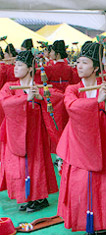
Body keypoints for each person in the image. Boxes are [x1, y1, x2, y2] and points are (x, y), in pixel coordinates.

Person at [56, 42, 106, 235]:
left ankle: (102, 229)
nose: (79, 66)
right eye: (78, 62)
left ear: (96, 67)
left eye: (84, 63)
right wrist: (96, 102)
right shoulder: (73, 89)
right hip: (77, 143)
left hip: (99, 143)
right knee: (80, 186)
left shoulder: (104, 86)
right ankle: (89, 226)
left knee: (98, 185)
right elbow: (71, 107)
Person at [0, 50, 60, 212]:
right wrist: (23, 99)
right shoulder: (9, 86)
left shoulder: (38, 87)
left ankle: (40, 198)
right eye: (15, 65)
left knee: (36, 163)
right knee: (20, 166)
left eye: (20, 65)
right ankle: (28, 197)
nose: (15, 68)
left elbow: (57, 97)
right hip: (15, 131)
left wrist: (40, 97)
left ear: (30, 69)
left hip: (35, 132)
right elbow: (5, 102)